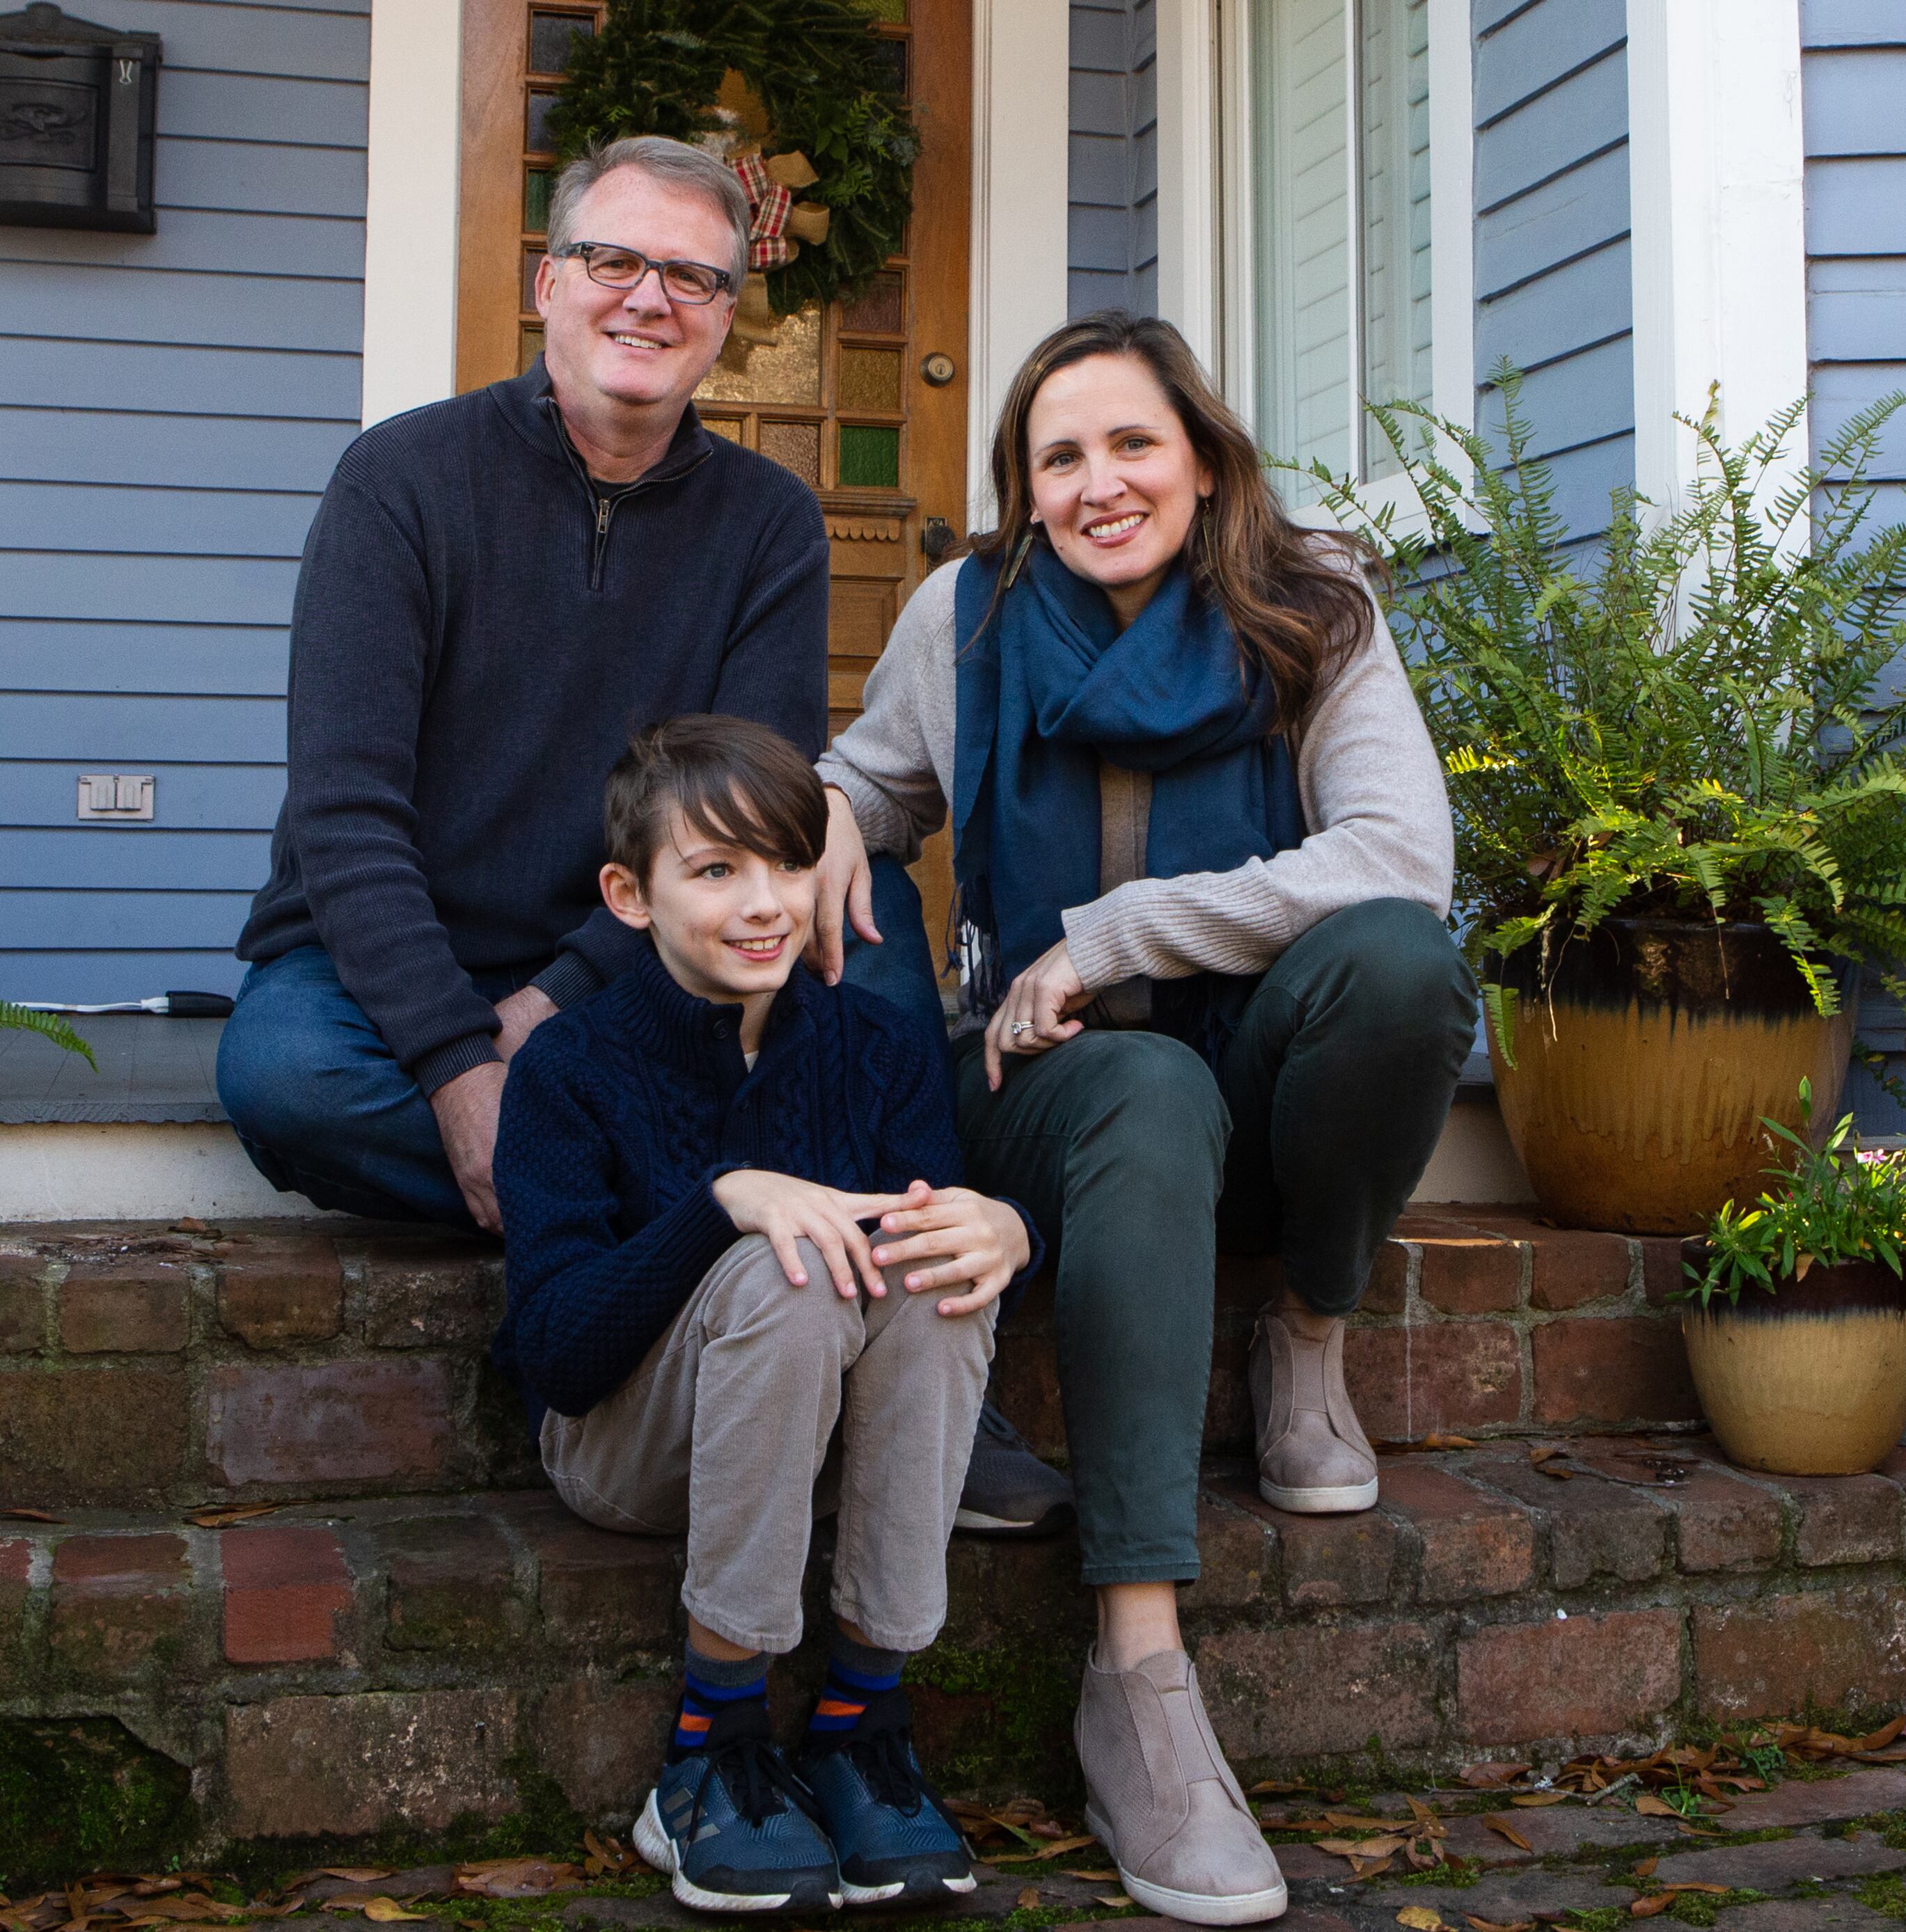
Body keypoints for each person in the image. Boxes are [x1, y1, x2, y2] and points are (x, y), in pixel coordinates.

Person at [812, 312, 1479, 1926]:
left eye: (1133, 443)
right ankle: (1139, 1672)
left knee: (1396, 970)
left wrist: (1118, 930)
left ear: (1201, 454)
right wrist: (830, 817)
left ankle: (1307, 1326)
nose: (1100, 481)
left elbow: (1401, 857)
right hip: (1059, 1100)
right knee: (1142, 1080)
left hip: (1253, 1077)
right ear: (1023, 488)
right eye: (1060, 456)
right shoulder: (965, 617)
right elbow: (867, 780)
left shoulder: (1310, 605)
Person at [216, 135, 825, 1235]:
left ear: (727, 319)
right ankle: (697, 1207)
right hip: (378, 964)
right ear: (550, 283)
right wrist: (456, 1064)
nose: (651, 300)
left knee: (857, 1012)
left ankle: (625, 1202)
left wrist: (553, 1005)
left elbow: (755, 811)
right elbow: (345, 816)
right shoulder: (399, 484)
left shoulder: (768, 522)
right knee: (292, 1080)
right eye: (613, 262)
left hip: (643, 952)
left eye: (693, 277)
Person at [494, 715, 1039, 1915]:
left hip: (818, 1452)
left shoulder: (880, 1046)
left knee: (933, 1264)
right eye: (715, 870)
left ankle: (858, 1720)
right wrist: (720, 1207)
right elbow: (563, 1355)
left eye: (790, 863)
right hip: (627, 1449)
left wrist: (1009, 1231)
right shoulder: (569, 1072)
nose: (764, 904)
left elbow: (935, 1261)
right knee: (786, 1264)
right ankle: (714, 1740)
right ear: (629, 897)